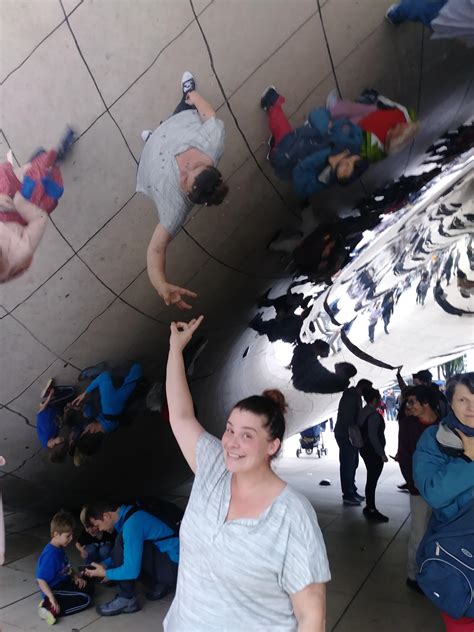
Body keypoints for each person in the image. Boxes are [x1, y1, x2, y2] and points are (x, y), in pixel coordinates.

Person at [163, 316, 330, 631]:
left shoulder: (292, 516)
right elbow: (182, 415)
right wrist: (175, 349)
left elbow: (312, 618)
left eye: (247, 436)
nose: (231, 444)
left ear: (272, 445)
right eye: (229, 430)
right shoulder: (213, 469)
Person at [137, 71, 227, 310]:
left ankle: (153, 140)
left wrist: (161, 284)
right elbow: (208, 115)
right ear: (208, 164)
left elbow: (156, 249)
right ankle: (185, 92)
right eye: (195, 166)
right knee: (183, 107)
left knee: (155, 145)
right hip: (182, 125)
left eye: (185, 180)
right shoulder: (214, 141)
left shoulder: (175, 210)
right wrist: (195, 97)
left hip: (157, 157)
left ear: (188, 196)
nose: (184, 169)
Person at [414, 373, 474, 632]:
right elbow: (433, 493)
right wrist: (469, 459)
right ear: (450, 403)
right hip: (459, 554)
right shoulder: (435, 439)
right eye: (463, 399)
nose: (472, 407)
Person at [260, 86, 368, 198]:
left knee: (281, 136)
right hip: (304, 138)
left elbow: (299, 183)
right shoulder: (350, 141)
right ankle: (274, 146)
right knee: (284, 139)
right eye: (351, 161)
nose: (346, 164)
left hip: (290, 154)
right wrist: (326, 129)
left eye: (345, 170)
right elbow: (319, 116)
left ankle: (270, 103)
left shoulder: (322, 180)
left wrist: (327, 159)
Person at [0, 129, 75, 283]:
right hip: (29, 206)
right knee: (41, 172)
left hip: (8, 196)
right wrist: (22, 204)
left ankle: (37, 163)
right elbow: (39, 220)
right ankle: (53, 161)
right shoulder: (19, 254)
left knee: (28, 170)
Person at [84, 500, 179, 616]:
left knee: (121, 541)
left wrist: (106, 573)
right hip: (172, 564)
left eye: (98, 525)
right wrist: (105, 564)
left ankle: (126, 598)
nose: (100, 529)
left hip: (172, 569)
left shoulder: (131, 524)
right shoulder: (131, 513)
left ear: (106, 516)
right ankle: (159, 584)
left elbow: (132, 571)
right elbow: (128, 553)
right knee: (125, 545)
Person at [397, 386, 440, 592]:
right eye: (408, 402)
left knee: (437, 532)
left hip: (442, 490)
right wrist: (414, 485)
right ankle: (413, 576)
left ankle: (433, 570)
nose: (408, 406)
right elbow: (404, 457)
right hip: (420, 490)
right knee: (419, 532)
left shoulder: (443, 425)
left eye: (413, 401)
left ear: (427, 404)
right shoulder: (407, 426)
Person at [36, 510, 94, 625]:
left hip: (64, 584)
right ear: (56, 534)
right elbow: (40, 579)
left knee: (89, 588)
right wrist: (51, 597)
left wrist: (76, 577)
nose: (71, 538)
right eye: (68, 536)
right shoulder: (50, 555)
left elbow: (66, 568)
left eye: (72, 535)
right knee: (86, 600)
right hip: (55, 590)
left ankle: (56, 601)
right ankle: (48, 607)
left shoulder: (59, 547)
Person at [327, 90, 419, 161]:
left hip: (359, 128)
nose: (400, 125)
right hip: (371, 114)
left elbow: (360, 150)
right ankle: (333, 108)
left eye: (399, 128)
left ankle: (328, 123)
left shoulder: (376, 150)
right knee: (353, 109)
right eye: (402, 125)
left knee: (345, 124)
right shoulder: (405, 118)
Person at [334, 378, 373, 506]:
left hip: (349, 434)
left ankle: (352, 490)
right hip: (347, 434)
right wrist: (354, 432)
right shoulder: (351, 397)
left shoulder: (354, 396)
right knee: (347, 464)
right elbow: (347, 419)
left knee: (353, 462)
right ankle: (348, 494)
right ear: (363, 388)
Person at [358, 388, 389, 522]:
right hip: (373, 451)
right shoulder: (374, 415)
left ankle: (369, 506)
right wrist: (381, 454)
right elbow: (374, 437)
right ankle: (371, 508)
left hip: (364, 449)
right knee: (372, 479)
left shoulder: (362, 412)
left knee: (370, 478)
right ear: (375, 400)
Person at [36, 383, 76, 462]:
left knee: (72, 392)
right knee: (72, 400)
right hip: (57, 412)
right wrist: (66, 412)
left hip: (50, 406)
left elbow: (39, 413)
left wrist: (50, 397)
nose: (62, 438)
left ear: (53, 445)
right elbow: (58, 423)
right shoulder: (50, 441)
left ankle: (49, 392)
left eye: (61, 440)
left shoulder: (47, 430)